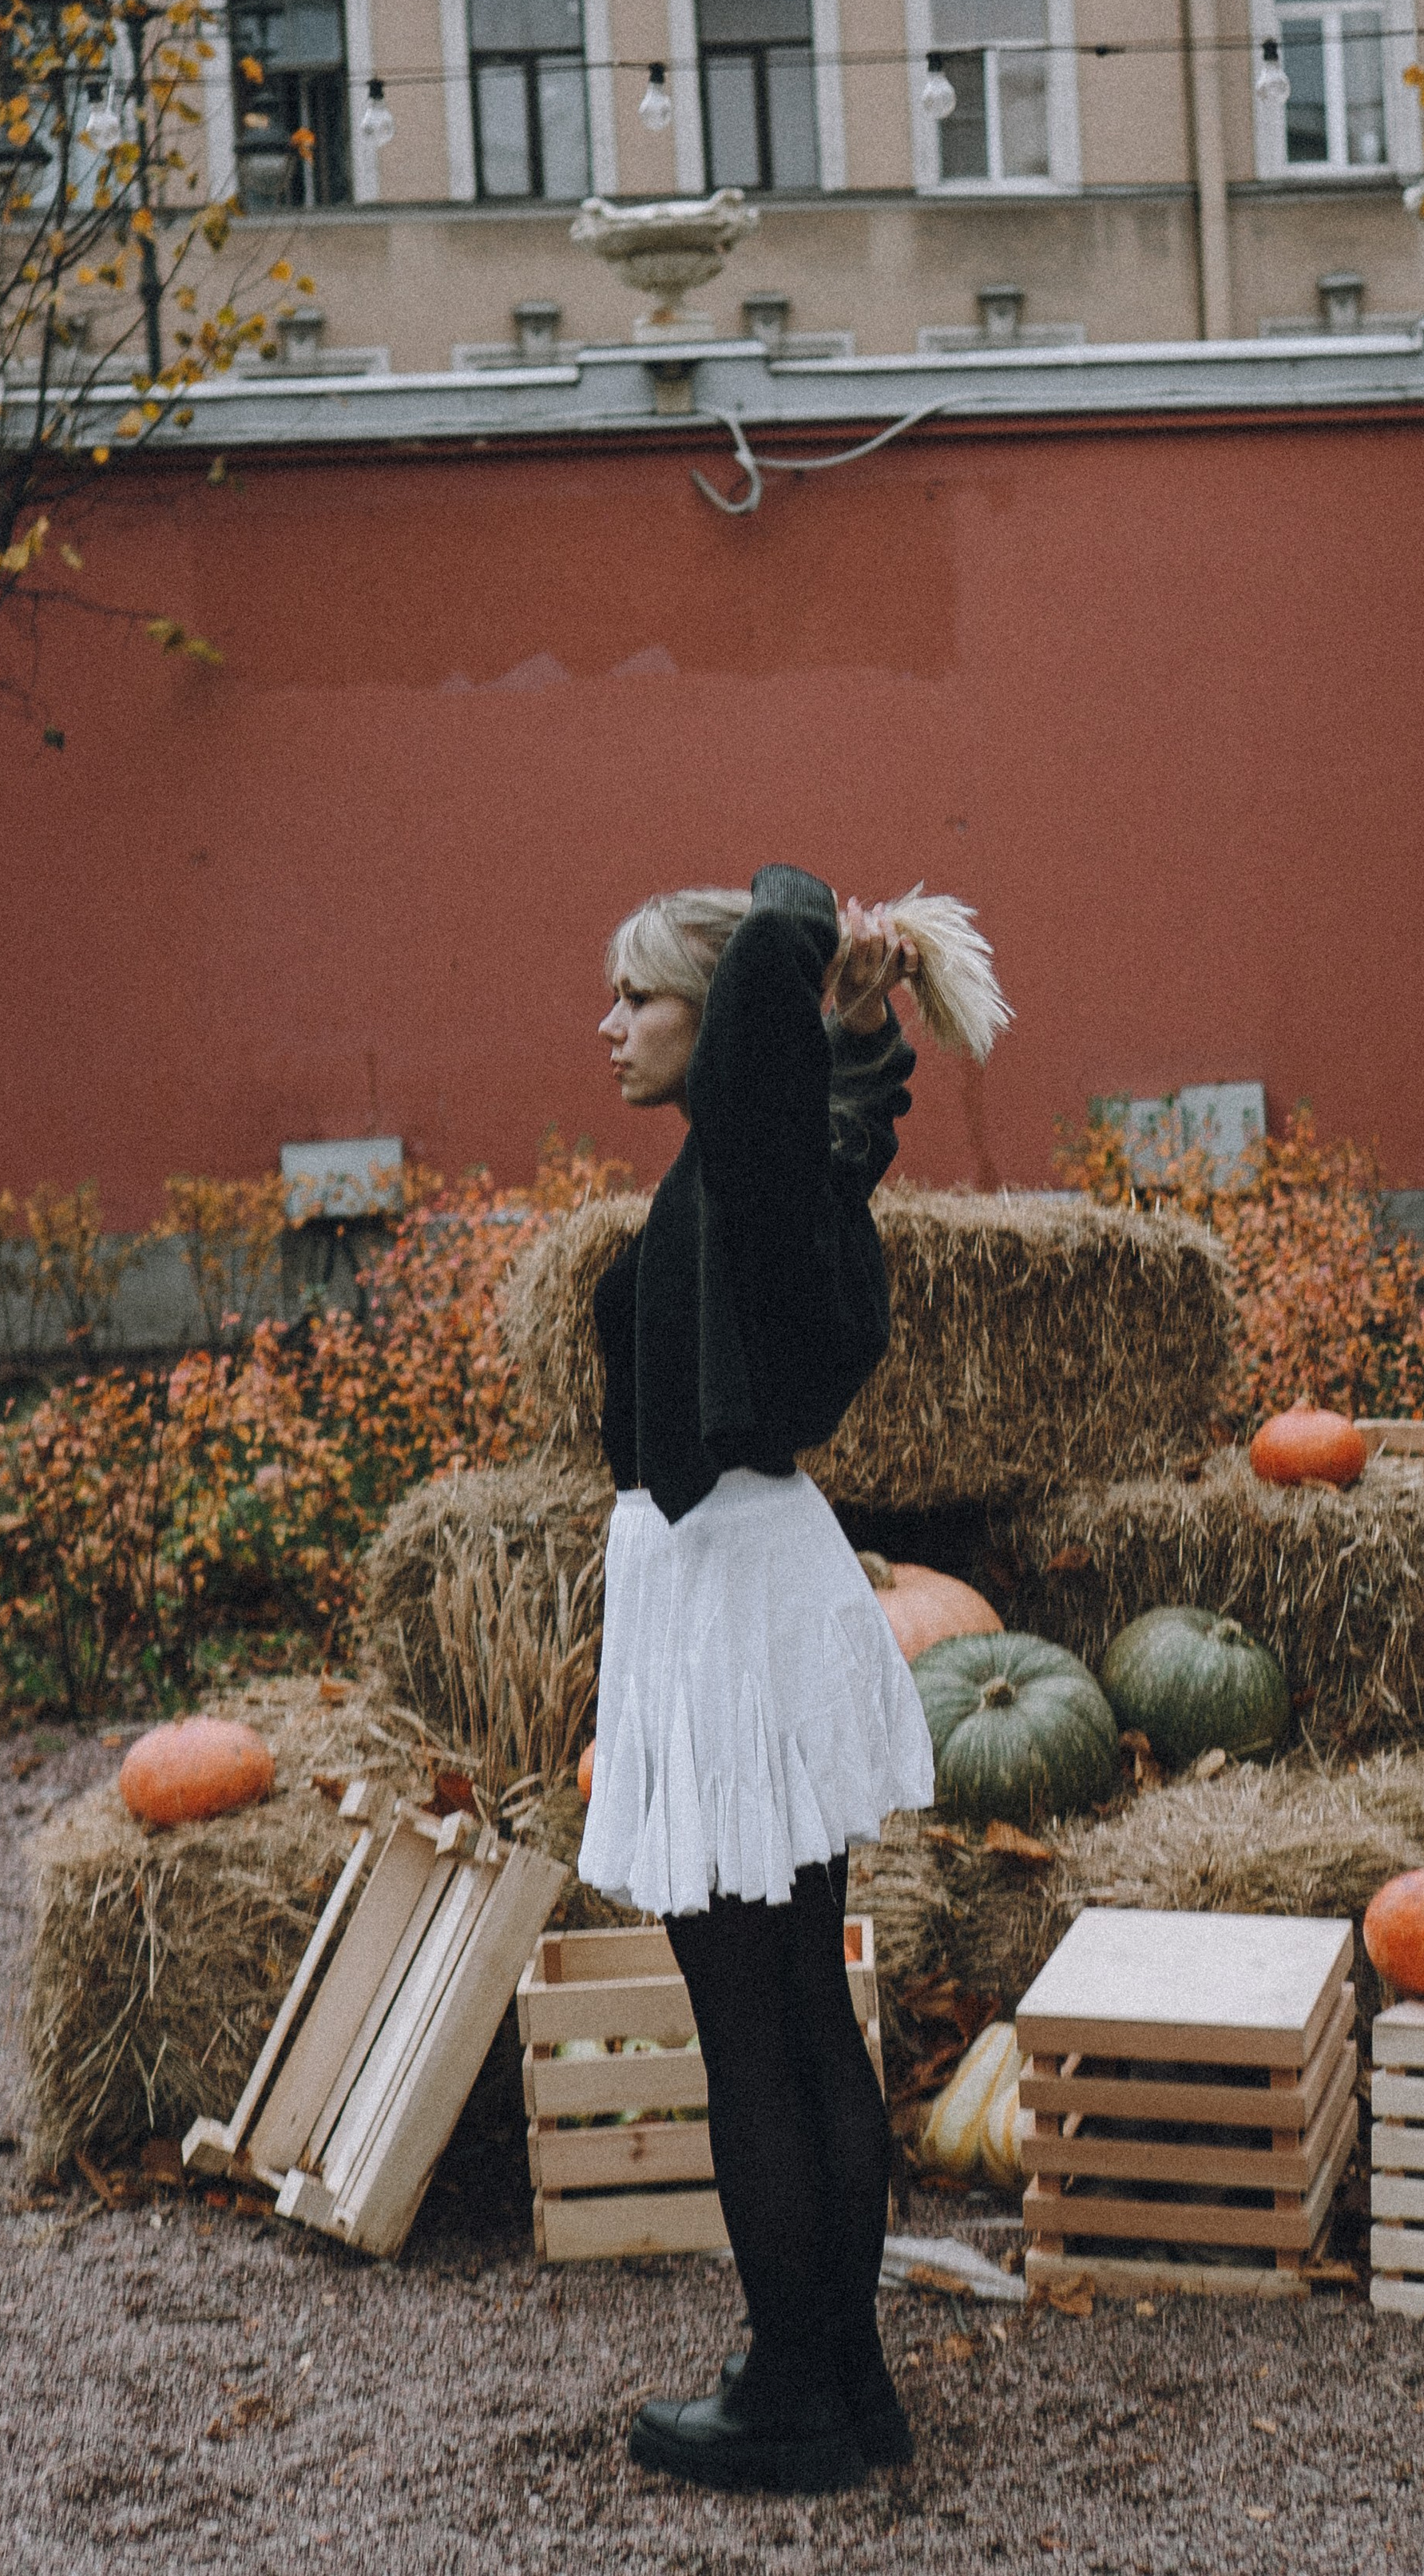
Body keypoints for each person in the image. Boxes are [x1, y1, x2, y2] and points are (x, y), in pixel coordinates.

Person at [578, 864, 1009, 2497]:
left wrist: (800, 930)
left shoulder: (755, 1154)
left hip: (728, 1595)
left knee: (748, 2024)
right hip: (758, 1582)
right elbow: (814, 1031)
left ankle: (795, 2400)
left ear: (726, 1022)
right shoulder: (793, 1151)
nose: (605, 1025)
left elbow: (771, 935)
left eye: (639, 997)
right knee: (796, 2008)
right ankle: (841, 2382)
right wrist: (836, 986)